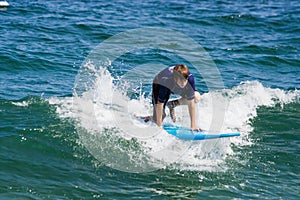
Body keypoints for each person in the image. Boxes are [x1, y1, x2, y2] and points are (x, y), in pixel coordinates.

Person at [142, 64, 201, 130]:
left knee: (196, 97)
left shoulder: (190, 79)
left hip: (175, 85)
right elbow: (160, 104)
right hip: (159, 83)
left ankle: (172, 104)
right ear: (175, 79)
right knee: (159, 118)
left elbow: (191, 103)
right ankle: (144, 118)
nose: (183, 83)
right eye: (181, 80)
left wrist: (193, 126)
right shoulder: (166, 81)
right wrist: (159, 126)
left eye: (185, 80)